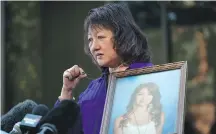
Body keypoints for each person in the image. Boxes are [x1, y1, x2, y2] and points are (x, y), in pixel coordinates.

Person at [54, 3, 153, 134]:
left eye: (100, 37)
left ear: (122, 37)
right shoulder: (93, 89)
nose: (94, 47)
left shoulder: (150, 78)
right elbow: (63, 129)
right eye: (90, 40)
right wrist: (67, 90)